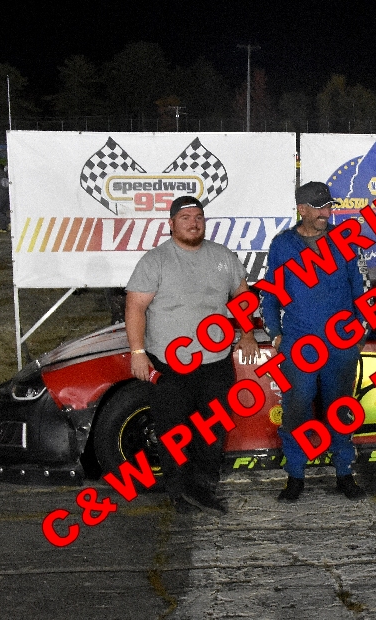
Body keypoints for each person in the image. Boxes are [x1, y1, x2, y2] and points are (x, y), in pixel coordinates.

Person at [125, 195, 259, 514]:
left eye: (198, 217)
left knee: (212, 430)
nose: (193, 223)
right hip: (169, 365)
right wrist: (138, 352)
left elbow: (243, 298)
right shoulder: (155, 260)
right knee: (173, 432)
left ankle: (204, 487)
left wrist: (248, 334)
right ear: (171, 224)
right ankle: (179, 492)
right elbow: (135, 307)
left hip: (215, 364)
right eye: (185, 218)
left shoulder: (223, 257)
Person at [260, 181, 368, 502]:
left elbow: (361, 290)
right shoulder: (282, 245)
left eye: (328, 206)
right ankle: (295, 476)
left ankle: (344, 473)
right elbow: (269, 293)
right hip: (299, 344)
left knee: (340, 408)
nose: (326, 213)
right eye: (319, 208)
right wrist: (275, 333)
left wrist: (360, 331)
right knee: (296, 408)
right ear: (302, 209)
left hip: (341, 343)